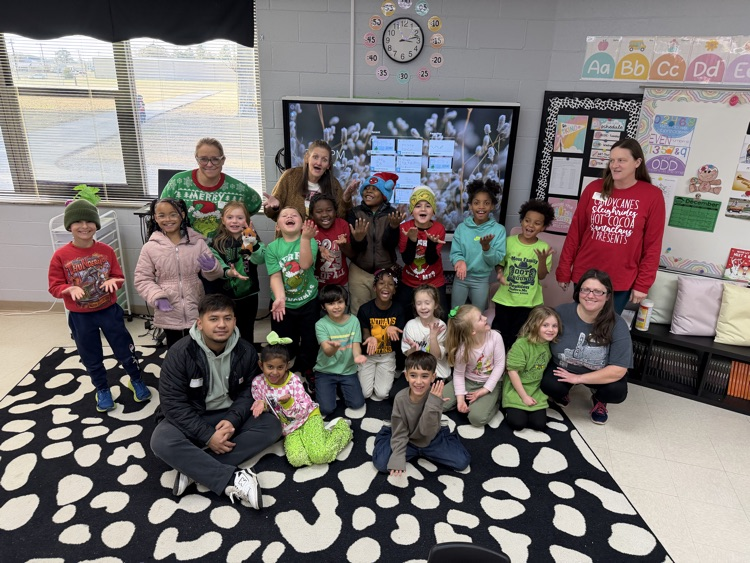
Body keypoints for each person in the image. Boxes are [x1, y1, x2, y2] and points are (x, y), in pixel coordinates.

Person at [150, 294, 282, 507]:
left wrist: (233, 420)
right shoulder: (180, 353)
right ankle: (232, 479)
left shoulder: (246, 350)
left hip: (229, 414)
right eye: (213, 319)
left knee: (272, 425)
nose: (222, 325)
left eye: (227, 318)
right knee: (161, 441)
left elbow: (250, 391)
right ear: (200, 323)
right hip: (194, 414)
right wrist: (207, 436)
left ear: (235, 321)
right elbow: (172, 403)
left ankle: (193, 470)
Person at [48, 199, 151, 412]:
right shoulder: (60, 256)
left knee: (125, 348)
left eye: (89, 221)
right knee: (90, 355)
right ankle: (102, 389)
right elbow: (54, 286)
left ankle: (135, 379)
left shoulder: (106, 250)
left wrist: (115, 282)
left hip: (109, 311)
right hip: (80, 317)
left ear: (96, 224)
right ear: (69, 226)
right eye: (78, 222)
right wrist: (68, 289)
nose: (84, 226)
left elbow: (118, 276)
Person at [556, 138, 666, 314]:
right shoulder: (593, 188)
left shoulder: (652, 196)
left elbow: (653, 245)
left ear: (637, 162)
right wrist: (563, 270)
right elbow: (575, 233)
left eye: (621, 160)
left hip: (621, 279)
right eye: (612, 160)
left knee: (606, 327)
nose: (615, 165)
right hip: (585, 274)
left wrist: (643, 284)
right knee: (581, 323)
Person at [541, 269, 632, 425]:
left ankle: (599, 399)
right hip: (563, 367)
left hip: (598, 374)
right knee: (549, 385)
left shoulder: (618, 324)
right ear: (579, 292)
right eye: (586, 290)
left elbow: (618, 369)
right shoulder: (561, 312)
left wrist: (578, 379)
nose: (590, 295)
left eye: (598, 292)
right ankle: (563, 391)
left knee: (616, 391)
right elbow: (541, 338)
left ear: (608, 296)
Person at [251, 333, 353, 468]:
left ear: (287, 366)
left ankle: (341, 427)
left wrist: (288, 403)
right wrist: (262, 404)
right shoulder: (257, 383)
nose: (275, 372)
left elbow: (303, 411)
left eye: (280, 367)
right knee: (297, 460)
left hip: (307, 417)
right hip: (288, 428)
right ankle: (323, 434)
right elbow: (265, 407)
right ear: (261, 365)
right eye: (270, 367)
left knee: (320, 455)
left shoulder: (294, 381)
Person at [134, 198, 223, 348]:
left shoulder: (197, 243)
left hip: (195, 305)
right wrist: (157, 296)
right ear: (155, 218)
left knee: (198, 346)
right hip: (168, 309)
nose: (168, 219)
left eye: (173, 214)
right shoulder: (150, 247)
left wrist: (212, 268)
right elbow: (142, 279)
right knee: (175, 349)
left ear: (182, 215)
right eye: (162, 215)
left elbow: (215, 275)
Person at [372, 352, 470, 475]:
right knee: (381, 464)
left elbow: (426, 431)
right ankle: (387, 431)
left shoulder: (436, 396)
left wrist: (433, 404)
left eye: (424, 376)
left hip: (430, 438)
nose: (418, 382)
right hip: (407, 438)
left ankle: (444, 432)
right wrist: (398, 455)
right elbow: (401, 431)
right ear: (406, 376)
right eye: (413, 375)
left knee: (462, 462)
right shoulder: (400, 398)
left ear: (433, 377)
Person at [160, 137, 262, 241]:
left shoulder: (238, 189)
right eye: (203, 159)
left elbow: (256, 204)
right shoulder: (178, 183)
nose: (209, 164)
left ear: (223, 160)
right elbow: (161, 211)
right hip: (186, 247)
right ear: (197, 159)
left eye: (215, 159)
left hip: (223, 248)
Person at [491, 199, 555, 350]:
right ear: (521, 220)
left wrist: (542, 260)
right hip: (505, 299)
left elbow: (541, 276)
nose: (530, 225)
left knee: (518, 337)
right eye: (527, 220)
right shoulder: (508, 242)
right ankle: (497, 359)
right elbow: (500, 263)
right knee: (499, 334)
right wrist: (499, 273)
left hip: (528, 302)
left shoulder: (544, 248)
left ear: (543, 227)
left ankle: (512, 361)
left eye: (537, 223)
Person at [265, 208, 320, 379]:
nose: (289, 216)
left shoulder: (310, 241)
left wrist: (305, 238)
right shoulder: (272, 247)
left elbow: (305, 264)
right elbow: (275, 276)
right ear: (277, 226)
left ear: (302, 224)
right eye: (284, 215)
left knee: (310, 339)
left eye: (294, 215)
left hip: (308, 301)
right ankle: (285, 369)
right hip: (283, 304)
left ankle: (307, 368)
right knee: (284, 341)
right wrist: (280, 298)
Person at [346, 172, 405, 314]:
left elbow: (390, 245)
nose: (369, 191)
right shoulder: (355, 213)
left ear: (384, 195)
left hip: (385, 273)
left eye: (374, 189)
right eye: (366, 188)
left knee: (383, 312)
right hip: (360, 271)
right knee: (358, 311)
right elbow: (356, 248)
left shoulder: (392, 214)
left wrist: (393, 227)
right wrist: (358, 239)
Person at [208, 201, 265, 344]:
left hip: (249, 295)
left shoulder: (251, 238)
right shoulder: (216, 242)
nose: (235, 221)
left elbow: (260, 259)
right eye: (230, 217)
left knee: (247, 329)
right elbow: (218, 265)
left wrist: (253, 242)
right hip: (225, 296)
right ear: (223, 220)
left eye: (240, 218)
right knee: (225, 329)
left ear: (246, 220)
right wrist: (229, 273)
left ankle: (247, 354)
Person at [442, 304, 505, 427]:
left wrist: (484, 390)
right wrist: (460, 399)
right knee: (436, 403)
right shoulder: (462, 349)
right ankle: (464, 401)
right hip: (468, 381)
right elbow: (458, 374)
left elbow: (500, 365)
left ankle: (495, 401)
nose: (485, 318)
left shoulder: (495, 337)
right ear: (472, 331)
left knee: (476, 419)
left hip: (489, 382)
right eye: (480, 318)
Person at [263, 140, 357, 221]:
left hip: (321, 237)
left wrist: (346, 199)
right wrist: (274, 207)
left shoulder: (334, 184)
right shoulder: (289, 176)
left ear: (328, 165)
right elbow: (270, 214)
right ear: (307, 158)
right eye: (315, 157)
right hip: (291, 237)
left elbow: (341, 218)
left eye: (324, 160)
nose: (319, 163)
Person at [450, 179, 507, 310]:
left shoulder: (499, 230)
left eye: (486, 203)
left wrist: (487, 248)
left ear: (492, 206)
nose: (481, 207)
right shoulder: (462, 228)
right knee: (455, 313)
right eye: (476, 203)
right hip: (461, 278)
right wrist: (459, 261)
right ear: (470, 206)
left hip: (481, 280)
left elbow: (496, 260)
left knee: (478, 315)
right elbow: (455, 253)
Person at [502, 305, 561, 432]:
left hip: (535, 387)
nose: (551, 330)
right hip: (516, 387)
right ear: (534, 325)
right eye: (545, 325)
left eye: (554, 326)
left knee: (539, 424)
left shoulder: (551, 344)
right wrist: (524, 397)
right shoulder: (522, 344)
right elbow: (512, 372)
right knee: (518, 423)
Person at [314, 285, 367, 416]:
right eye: (331, 303)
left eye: (340, 302)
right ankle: (325, 387)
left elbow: (356, 344)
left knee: (357, 404)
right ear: (323, 306)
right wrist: (334, 347)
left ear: (345, 303)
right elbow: (327, 351)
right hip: (326, 371)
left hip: (348, 371)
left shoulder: (354, 321)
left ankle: (338, 388)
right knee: (326, 409)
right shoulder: (320, 324)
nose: (336, 307)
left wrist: (357, 356)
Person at [396, 186, 448, 320]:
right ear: (412, 210)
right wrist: (412, 240)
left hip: (434, 281)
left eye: (428, 206)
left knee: (442, 316)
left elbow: (431, 260)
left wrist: (431, 243)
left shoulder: (439, 228)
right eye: (418, 206)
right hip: (410, 281)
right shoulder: (405, 228)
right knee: (403, 316)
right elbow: (407, 260)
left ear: (433, 210)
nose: (423, 209)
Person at [357, 268, 406, 401]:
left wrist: (394, 329)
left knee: (382, 394)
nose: (386, 287)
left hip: (387, 356)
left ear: (394, 290)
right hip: (368, 356)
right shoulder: (365, 309)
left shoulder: (398, 309)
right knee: (365, 393)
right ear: (374, 287)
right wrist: (370, 338)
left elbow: (401, 334)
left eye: (390, 284)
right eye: (381, 283)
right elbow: (365, 333)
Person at [401, 285, 450, 380]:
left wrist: (433, 337)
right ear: (414, 305)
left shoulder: (441, 326)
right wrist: (413, 349)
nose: (423, 307)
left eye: (427, 303)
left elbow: (435, 356)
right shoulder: (410, 325)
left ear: (435, 304)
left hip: (437, 372)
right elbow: (408, 354)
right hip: (414, 370)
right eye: (419, 303)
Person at [308, 193, 354, 288]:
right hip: (315, 285)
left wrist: (343, 245)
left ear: (335, 212)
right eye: (319, 211)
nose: (325, 215)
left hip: (340, 282)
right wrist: (318, 249)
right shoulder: (308, 227)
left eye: (329, 210)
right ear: (312, 215)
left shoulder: (342, 225)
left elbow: (352, 255)